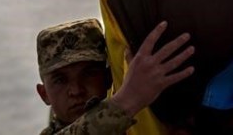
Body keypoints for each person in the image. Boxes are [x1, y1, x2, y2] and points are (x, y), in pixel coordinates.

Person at [36, 18, 195, 134]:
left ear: (108, 77)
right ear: (44, 94)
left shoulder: (140, 125)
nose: (76, 90)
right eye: (60, 80)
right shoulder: (128, 108)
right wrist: (129, 99)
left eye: (89, 74)